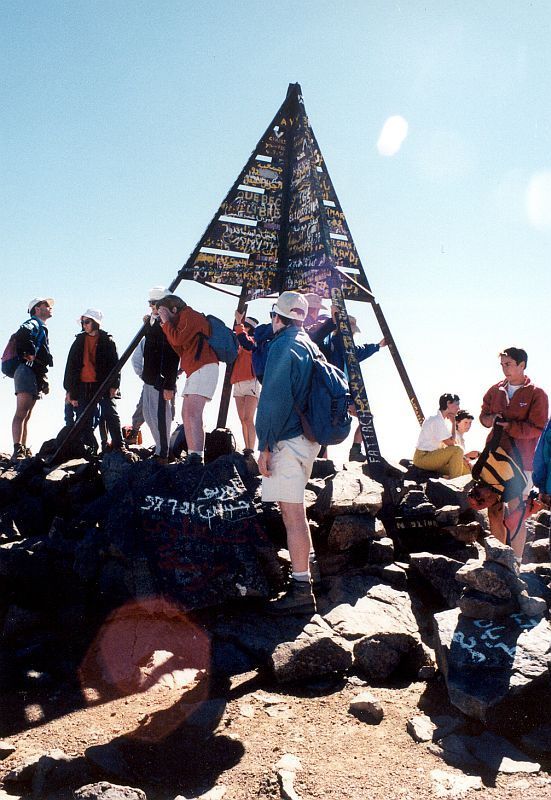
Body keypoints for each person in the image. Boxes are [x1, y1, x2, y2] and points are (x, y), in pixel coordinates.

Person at [256, 290, 319, 616]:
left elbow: (273, 401)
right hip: (308, 441)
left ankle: (300, 588)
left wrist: (264, 445)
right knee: (297, 511)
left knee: (292, 515)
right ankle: (310, 571)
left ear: (277, 317)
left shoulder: (282, 345)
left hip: (288, 440)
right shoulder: (310, 344)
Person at [480, 346, 548, 560]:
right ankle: (498, 559)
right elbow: (483, 416)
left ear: (522, 365)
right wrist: (490, 420)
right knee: (494, 507)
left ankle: (516, 563)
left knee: (517, 511)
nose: (504, 369)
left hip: (522, 460)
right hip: (494, 457)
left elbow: (538, 427)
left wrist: (510, 426)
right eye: (502, 365)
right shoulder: (495, 390)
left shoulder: (537, 394)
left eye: (508, 364)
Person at [157, 295, 219, 465]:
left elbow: (177, 339)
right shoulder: (181, 321)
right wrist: (166, 324)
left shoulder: (190, 315)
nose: (161, 315)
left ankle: (197, 458)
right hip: (196, 369)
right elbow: (178, 346)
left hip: (204, 367)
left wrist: (165, 322)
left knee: (193, 412)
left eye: (164, 311)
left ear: (174, 309)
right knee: (187, 413)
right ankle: (194, 455)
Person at [316, 313, 386, 462]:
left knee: (362, 418)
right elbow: (359, 351)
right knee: (332, 422)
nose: (353, 332)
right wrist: (377, 346)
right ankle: (348, 452)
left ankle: (337, 455)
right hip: (337, 392)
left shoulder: (345, 347)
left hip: (343, 393)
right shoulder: (335, 344)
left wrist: (378, 346)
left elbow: (361, 350)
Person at [63, 308, 124, 454]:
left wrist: (115, 385)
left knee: (110, 413)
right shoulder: (78, 341)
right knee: (84, 418)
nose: (84, 325)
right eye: (83, 322)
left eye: (87, 322)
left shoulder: (108, 340)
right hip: (82, 386)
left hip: (102, 385)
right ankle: (88, 449)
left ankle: (118, 445)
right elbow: (70, 367)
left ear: (96, 322)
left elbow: (116, 365)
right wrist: (69, 390)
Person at [135, 287, 180, 463]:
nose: (152, 306)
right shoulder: (154, 323)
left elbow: (171, 355)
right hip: (150, 377)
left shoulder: (167, 325)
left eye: (155, 303)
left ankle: (164, 453)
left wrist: (169, 384)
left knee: (161, 416)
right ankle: (162, 449)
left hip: (160, 379)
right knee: (149, 414)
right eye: (151, 303)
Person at [11, 297, 54, 461]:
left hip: (32, 372)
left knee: (26, 414)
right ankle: (18, 449)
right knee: (22, 412)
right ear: (37, 309)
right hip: (27, 370)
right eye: (46, 305)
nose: (50, 308)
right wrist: (29, 352)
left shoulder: (40, 326)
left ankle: (21, 448)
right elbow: (23, 333)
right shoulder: (34, 323)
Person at [413, 393, 469, 478]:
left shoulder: (441, 421)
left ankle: (453, 480)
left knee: (466, 471)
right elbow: (451, 444)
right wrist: (453, 423)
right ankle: (455, 486)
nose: (458, 408)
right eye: (457, 404)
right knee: (458, 449)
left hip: (434, 457)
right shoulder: (436, 420)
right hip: (423, 458)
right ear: (448, 403)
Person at [232, 311, 260, 455]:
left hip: (251, 381)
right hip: (237, 382)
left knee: (248, 418)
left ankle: (250, 449)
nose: (244, 328)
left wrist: (238, 323)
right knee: (243, 419)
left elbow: (246, 345)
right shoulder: (239, 342)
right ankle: (247, 448)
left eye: (246, 326)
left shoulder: (253, 342)